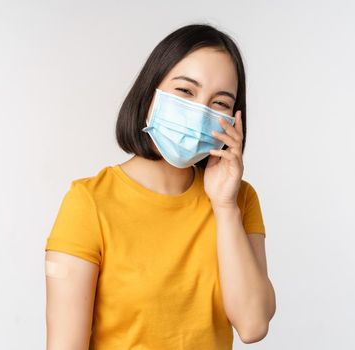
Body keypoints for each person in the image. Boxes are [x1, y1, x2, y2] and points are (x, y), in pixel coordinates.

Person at [44, 24, 275, 349]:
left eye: (220, 103)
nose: (200, 113)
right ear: (151, 93)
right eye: (185, 92)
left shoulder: (240, 200)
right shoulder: (89, 203)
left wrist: (224, 207)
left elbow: (253, 326)